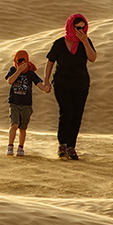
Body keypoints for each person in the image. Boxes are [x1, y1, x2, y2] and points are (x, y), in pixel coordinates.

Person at [44, 13, 97, 160]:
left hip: (81, 85)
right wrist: (46, 81)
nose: (80, 30)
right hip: (62, 84)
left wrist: (85, 42)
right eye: (77, 27)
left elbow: (92, 58)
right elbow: (50, 62)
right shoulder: (60, 43)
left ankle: (71, 146)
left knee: (76, 116)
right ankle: (62, 144)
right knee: (66, 113)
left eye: (83, 28)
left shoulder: (86, 42)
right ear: (70, 26)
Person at [5, 50, 50, 156]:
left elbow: (39, 84)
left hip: (26, 104)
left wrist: (46, 88)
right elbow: (10, 81)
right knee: (14, 124)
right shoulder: (13, 70)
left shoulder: (30, 72)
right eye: (19, 61)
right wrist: (18, 71)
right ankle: (10, 146)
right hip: (14, 102)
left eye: (23, 61)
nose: (21, 63)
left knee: (23, 128)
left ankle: (20, 147)